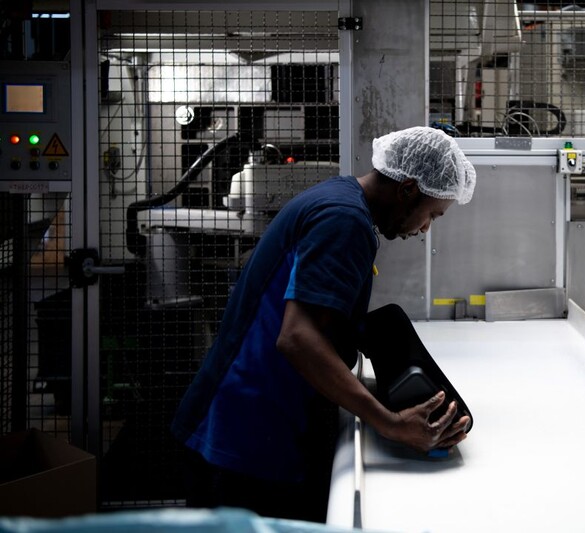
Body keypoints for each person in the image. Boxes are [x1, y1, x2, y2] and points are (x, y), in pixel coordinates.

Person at [171, 126, 477, 522]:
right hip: (243, 435)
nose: (424, 229)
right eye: (432, 214)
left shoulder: (341, 199)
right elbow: (298, 339)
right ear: (408, 189)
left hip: (249, 425)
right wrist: (390, 424)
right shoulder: (345, 221)